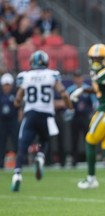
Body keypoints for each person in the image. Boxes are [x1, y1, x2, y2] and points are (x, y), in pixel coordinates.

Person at [10, 50, 74, 192]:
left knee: (22, 145)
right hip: (47, 115)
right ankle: (40, 156)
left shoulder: (26, 76)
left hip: (31, 114)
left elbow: (18, 99)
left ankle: (17, 175)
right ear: (46, 62)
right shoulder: (51, 75)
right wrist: (69, 107)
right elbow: (63, 93)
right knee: (44, 140)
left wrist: (18, 103)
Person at [70, 43, 105, 192]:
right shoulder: (100, 71)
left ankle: (91, 179)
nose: (95, 61)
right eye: (93, 58)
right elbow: (99, 90)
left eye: (98, 58)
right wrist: (83, 90)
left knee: (90, 141)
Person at [67, 71, 97, 167]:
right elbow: (67, 103)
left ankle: (90, 159)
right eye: (76, 77)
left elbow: (94, 103)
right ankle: (74, 160)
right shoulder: (70, 89)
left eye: (79, 77)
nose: (78, 79)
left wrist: (92, 114)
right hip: (75, 117)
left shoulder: (87, 89)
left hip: (85, 117)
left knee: (88, 139)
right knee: (74, 139)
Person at [0, 73, 19, 169]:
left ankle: (19, 163)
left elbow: (19, 108)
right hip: (2, 122)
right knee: (1, 143)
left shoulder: (15, 94)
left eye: (8, 84)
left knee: (16, 142)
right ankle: (1, 164)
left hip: (13, 121)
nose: (7, 87)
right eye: (5, 85)